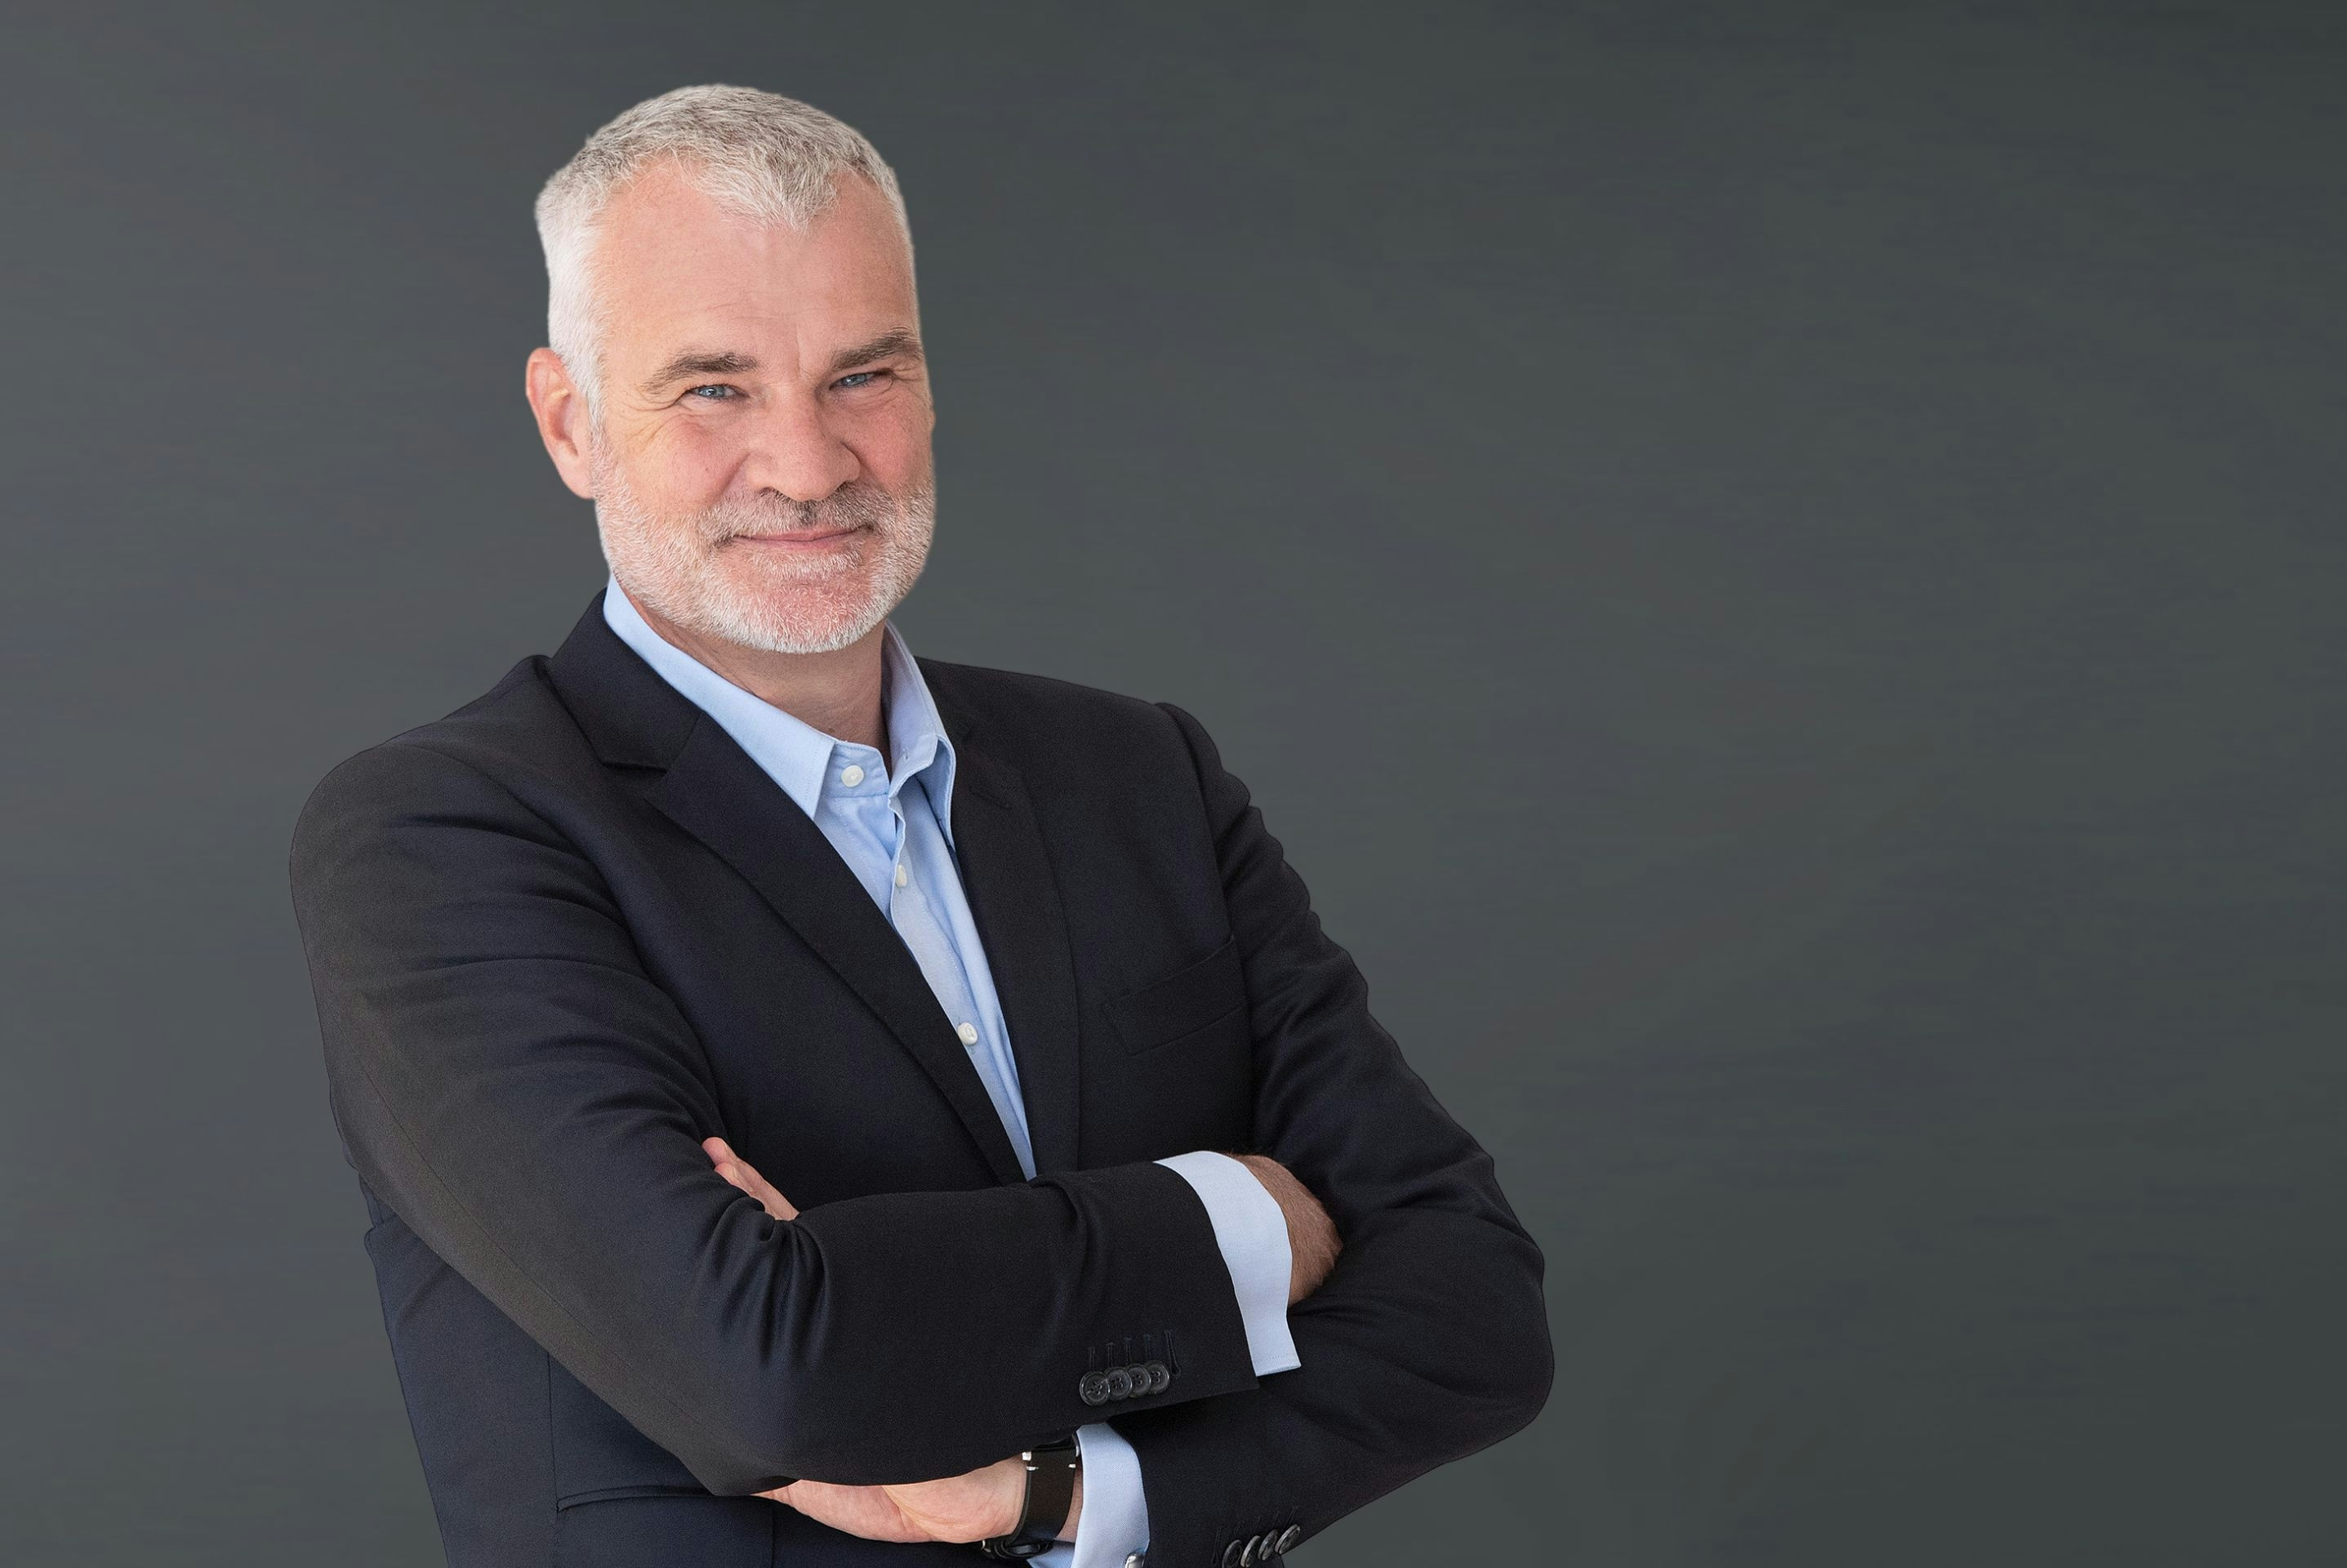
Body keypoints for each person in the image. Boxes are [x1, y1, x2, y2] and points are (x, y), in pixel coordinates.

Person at [289, 83, 1551, 1568]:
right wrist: (1245, 1228)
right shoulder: (443, 839)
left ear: (929, 385)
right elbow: (767, 1370)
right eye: (712, 387)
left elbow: (1477, 1314)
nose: (811, 465)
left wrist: (1061, 1495)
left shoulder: (1138, 774)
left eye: (861, 375)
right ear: (571, 422)